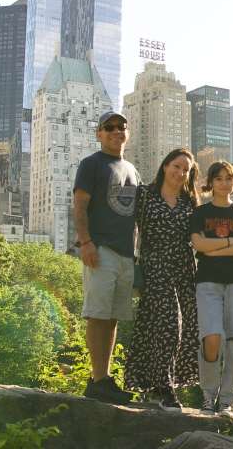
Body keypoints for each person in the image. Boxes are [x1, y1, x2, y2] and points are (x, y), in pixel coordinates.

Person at [125, 148, 200, 411]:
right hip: (155, 267)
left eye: (186, 170)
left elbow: (200, 238)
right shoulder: (145, 194)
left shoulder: (190, 201)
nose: (180, 173)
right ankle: (164, 387)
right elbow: (125, 225)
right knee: (170, 324)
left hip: (183, 270)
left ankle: (154, 386)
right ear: (165, 165)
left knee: (162, 329)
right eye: (176, 166)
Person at [74, 111, 141, 405]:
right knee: (98, 314)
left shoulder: (132, 170)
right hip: (100, 249)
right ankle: (97, 378)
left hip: (127, 254)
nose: (117, 131)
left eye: (122, 127)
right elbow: (79, 205)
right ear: (99, 134)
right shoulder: (91, 164)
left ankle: (103, 378)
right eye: (109, 127)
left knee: (113, 317)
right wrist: (86, 242)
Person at [191, 161, 233, 417]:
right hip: (208, 282)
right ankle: (208, 395)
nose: (224, 183)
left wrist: (215, 247)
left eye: (229, 178)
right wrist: (230, 241)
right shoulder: (200, 213)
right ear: (211, 182)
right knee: (212, 337)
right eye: (218, 178)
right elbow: (198, 244)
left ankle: (228, 401)